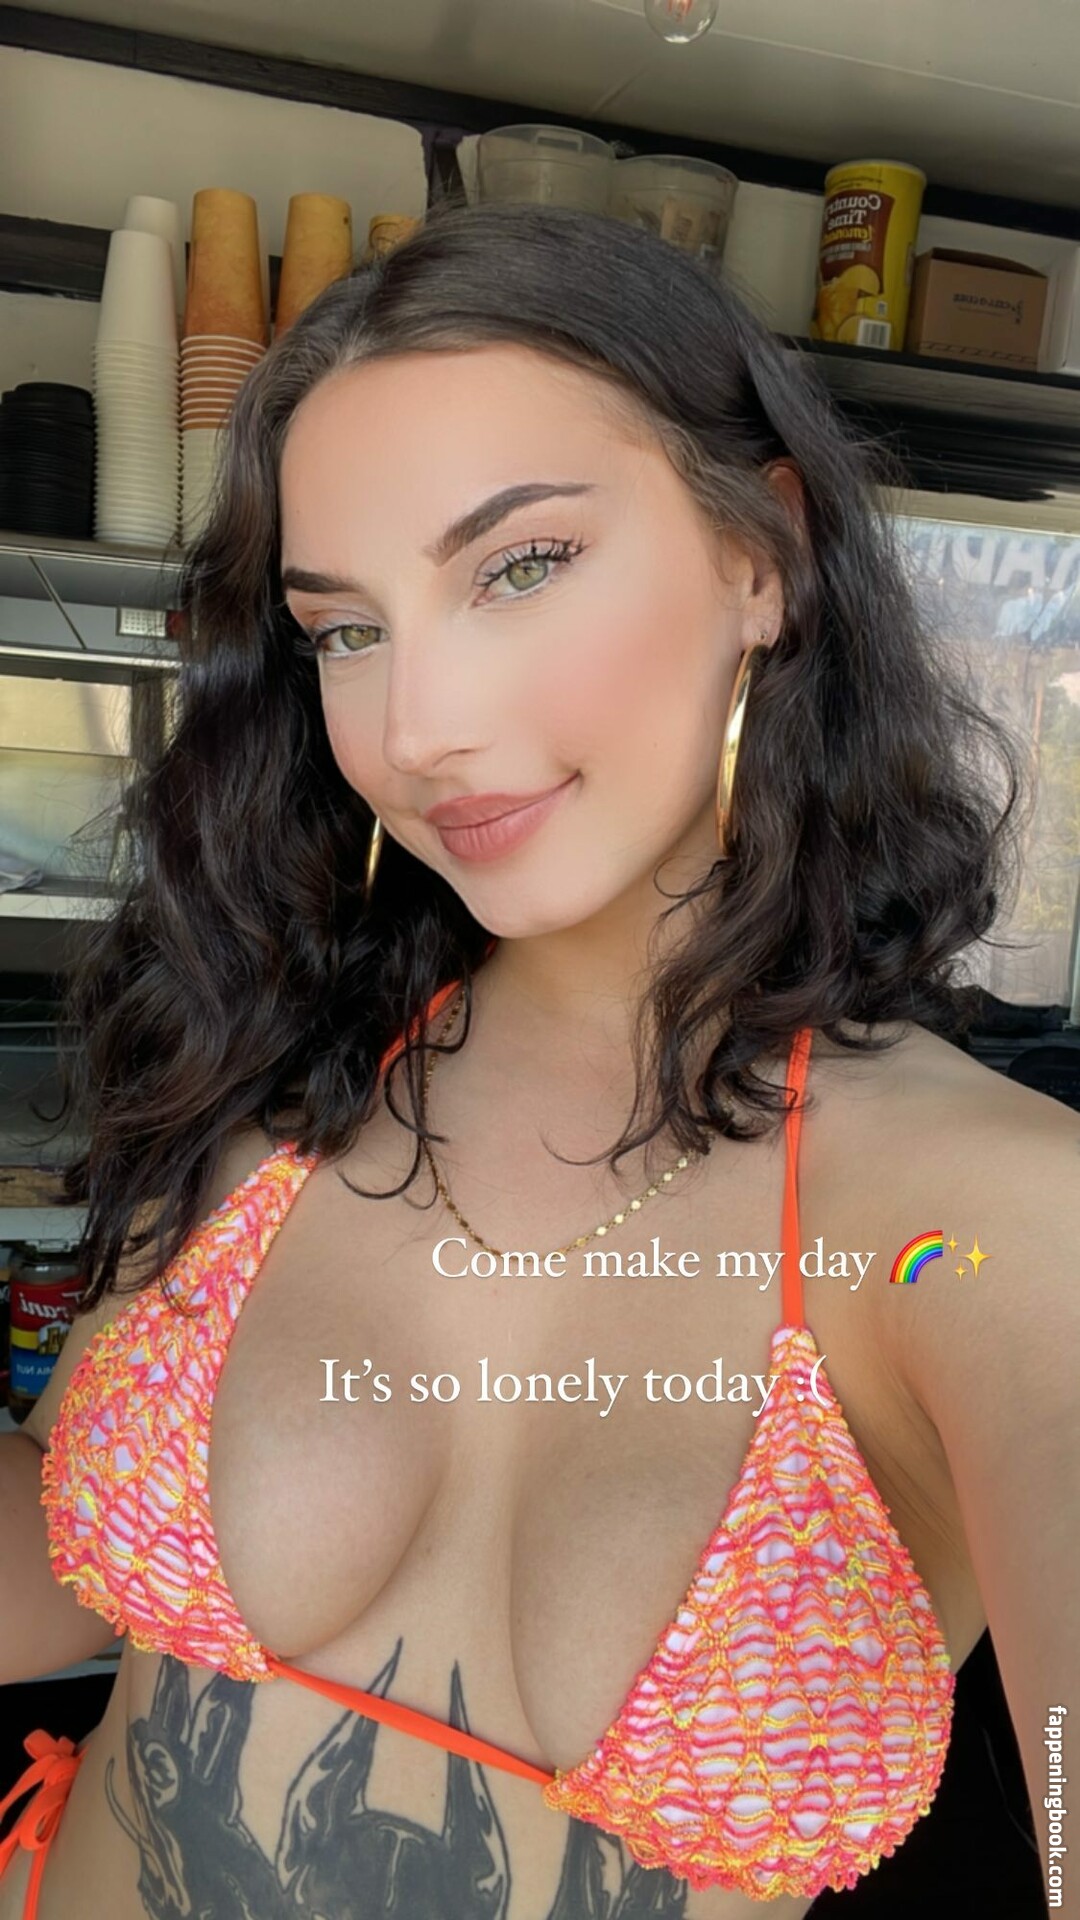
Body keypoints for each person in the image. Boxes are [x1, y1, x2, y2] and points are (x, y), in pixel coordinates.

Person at [1, 200, 1074, 1920]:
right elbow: (57, 1578)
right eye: (345, 630)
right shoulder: (274, 1068)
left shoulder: (987, 1229)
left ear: (762, 557)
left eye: (518, 566)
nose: (415, 728)